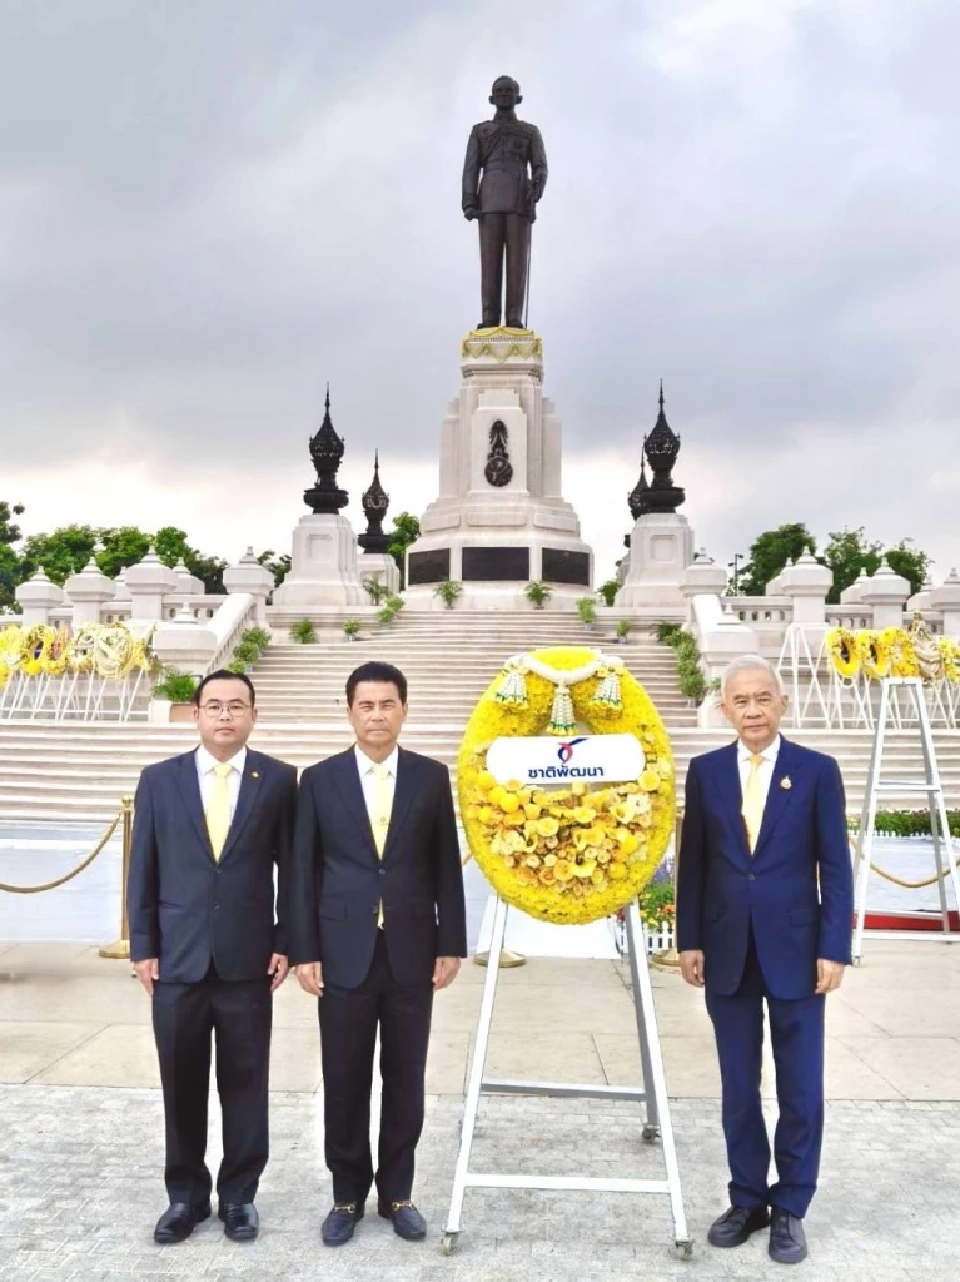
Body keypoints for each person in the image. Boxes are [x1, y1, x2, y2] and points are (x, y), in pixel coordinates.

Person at [676, 655, 853, 1266]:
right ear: (725, 709)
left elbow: (836, 865)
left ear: (782, 704)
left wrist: (834, 946)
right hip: (726, 949)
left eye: (762, 699)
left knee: (800, 1086)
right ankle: (747, 1198)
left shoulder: (815, 771)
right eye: (740, 701)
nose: (752, 710)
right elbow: (693, 864)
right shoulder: (705, 773)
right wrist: (689, 939)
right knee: (738, 1086)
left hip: (799, 952)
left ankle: (790, 1206)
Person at [289, 661, 467, 1247]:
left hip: (412, 952)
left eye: (387, 704)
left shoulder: (430, 777)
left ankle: (398, 1193)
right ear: (349, 712)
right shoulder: (318, 780)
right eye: (365, 705)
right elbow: (303, 871)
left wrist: (451, 942)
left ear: (404, 709)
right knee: (343, 1077)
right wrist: (303, 949)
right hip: (342, 953)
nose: (376, 715)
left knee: (405, 1076)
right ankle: (346, 1194)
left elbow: (446, 866)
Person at [127, 670, 297, 1245]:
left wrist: (285, 940)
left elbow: (292, 872)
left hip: (249, 962)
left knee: (246, 1081)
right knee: (181, 1080)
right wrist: (144, 946)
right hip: (176, 960)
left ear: (253, 714)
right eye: (215, 706)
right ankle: (185, 1196)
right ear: (195, 714)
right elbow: (143, 869)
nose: (225, 716)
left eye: (237, 707)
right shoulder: (159, 780)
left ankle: (240, 1198)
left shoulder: (277, 780)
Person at [462, 74, 547, 329]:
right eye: (499, 91)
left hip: (520, 196)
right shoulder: (480, 131)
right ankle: (489, 316)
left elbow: (540, 166)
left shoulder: (530, 132)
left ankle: (514, 318)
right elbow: (470, 168)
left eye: (509, 91)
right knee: (489, 262)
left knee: (517, 262)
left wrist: (537, 186)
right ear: (491, 98)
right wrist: (469, 201)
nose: (504, 95)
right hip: (488, 198)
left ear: (518, 98)